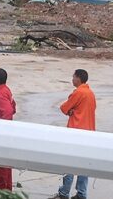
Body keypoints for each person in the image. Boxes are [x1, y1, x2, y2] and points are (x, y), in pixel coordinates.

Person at [50, 69, 96, 199]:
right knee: (83, 164)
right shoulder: (90, 93)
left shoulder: (78, 92)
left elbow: (64, 107)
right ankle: (81, 193)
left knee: (69, 163)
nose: (72, 79)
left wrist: (70, 111)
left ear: (78, 78)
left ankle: (64, 192)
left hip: (75, 132)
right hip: (89, 133)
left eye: (73, 77)